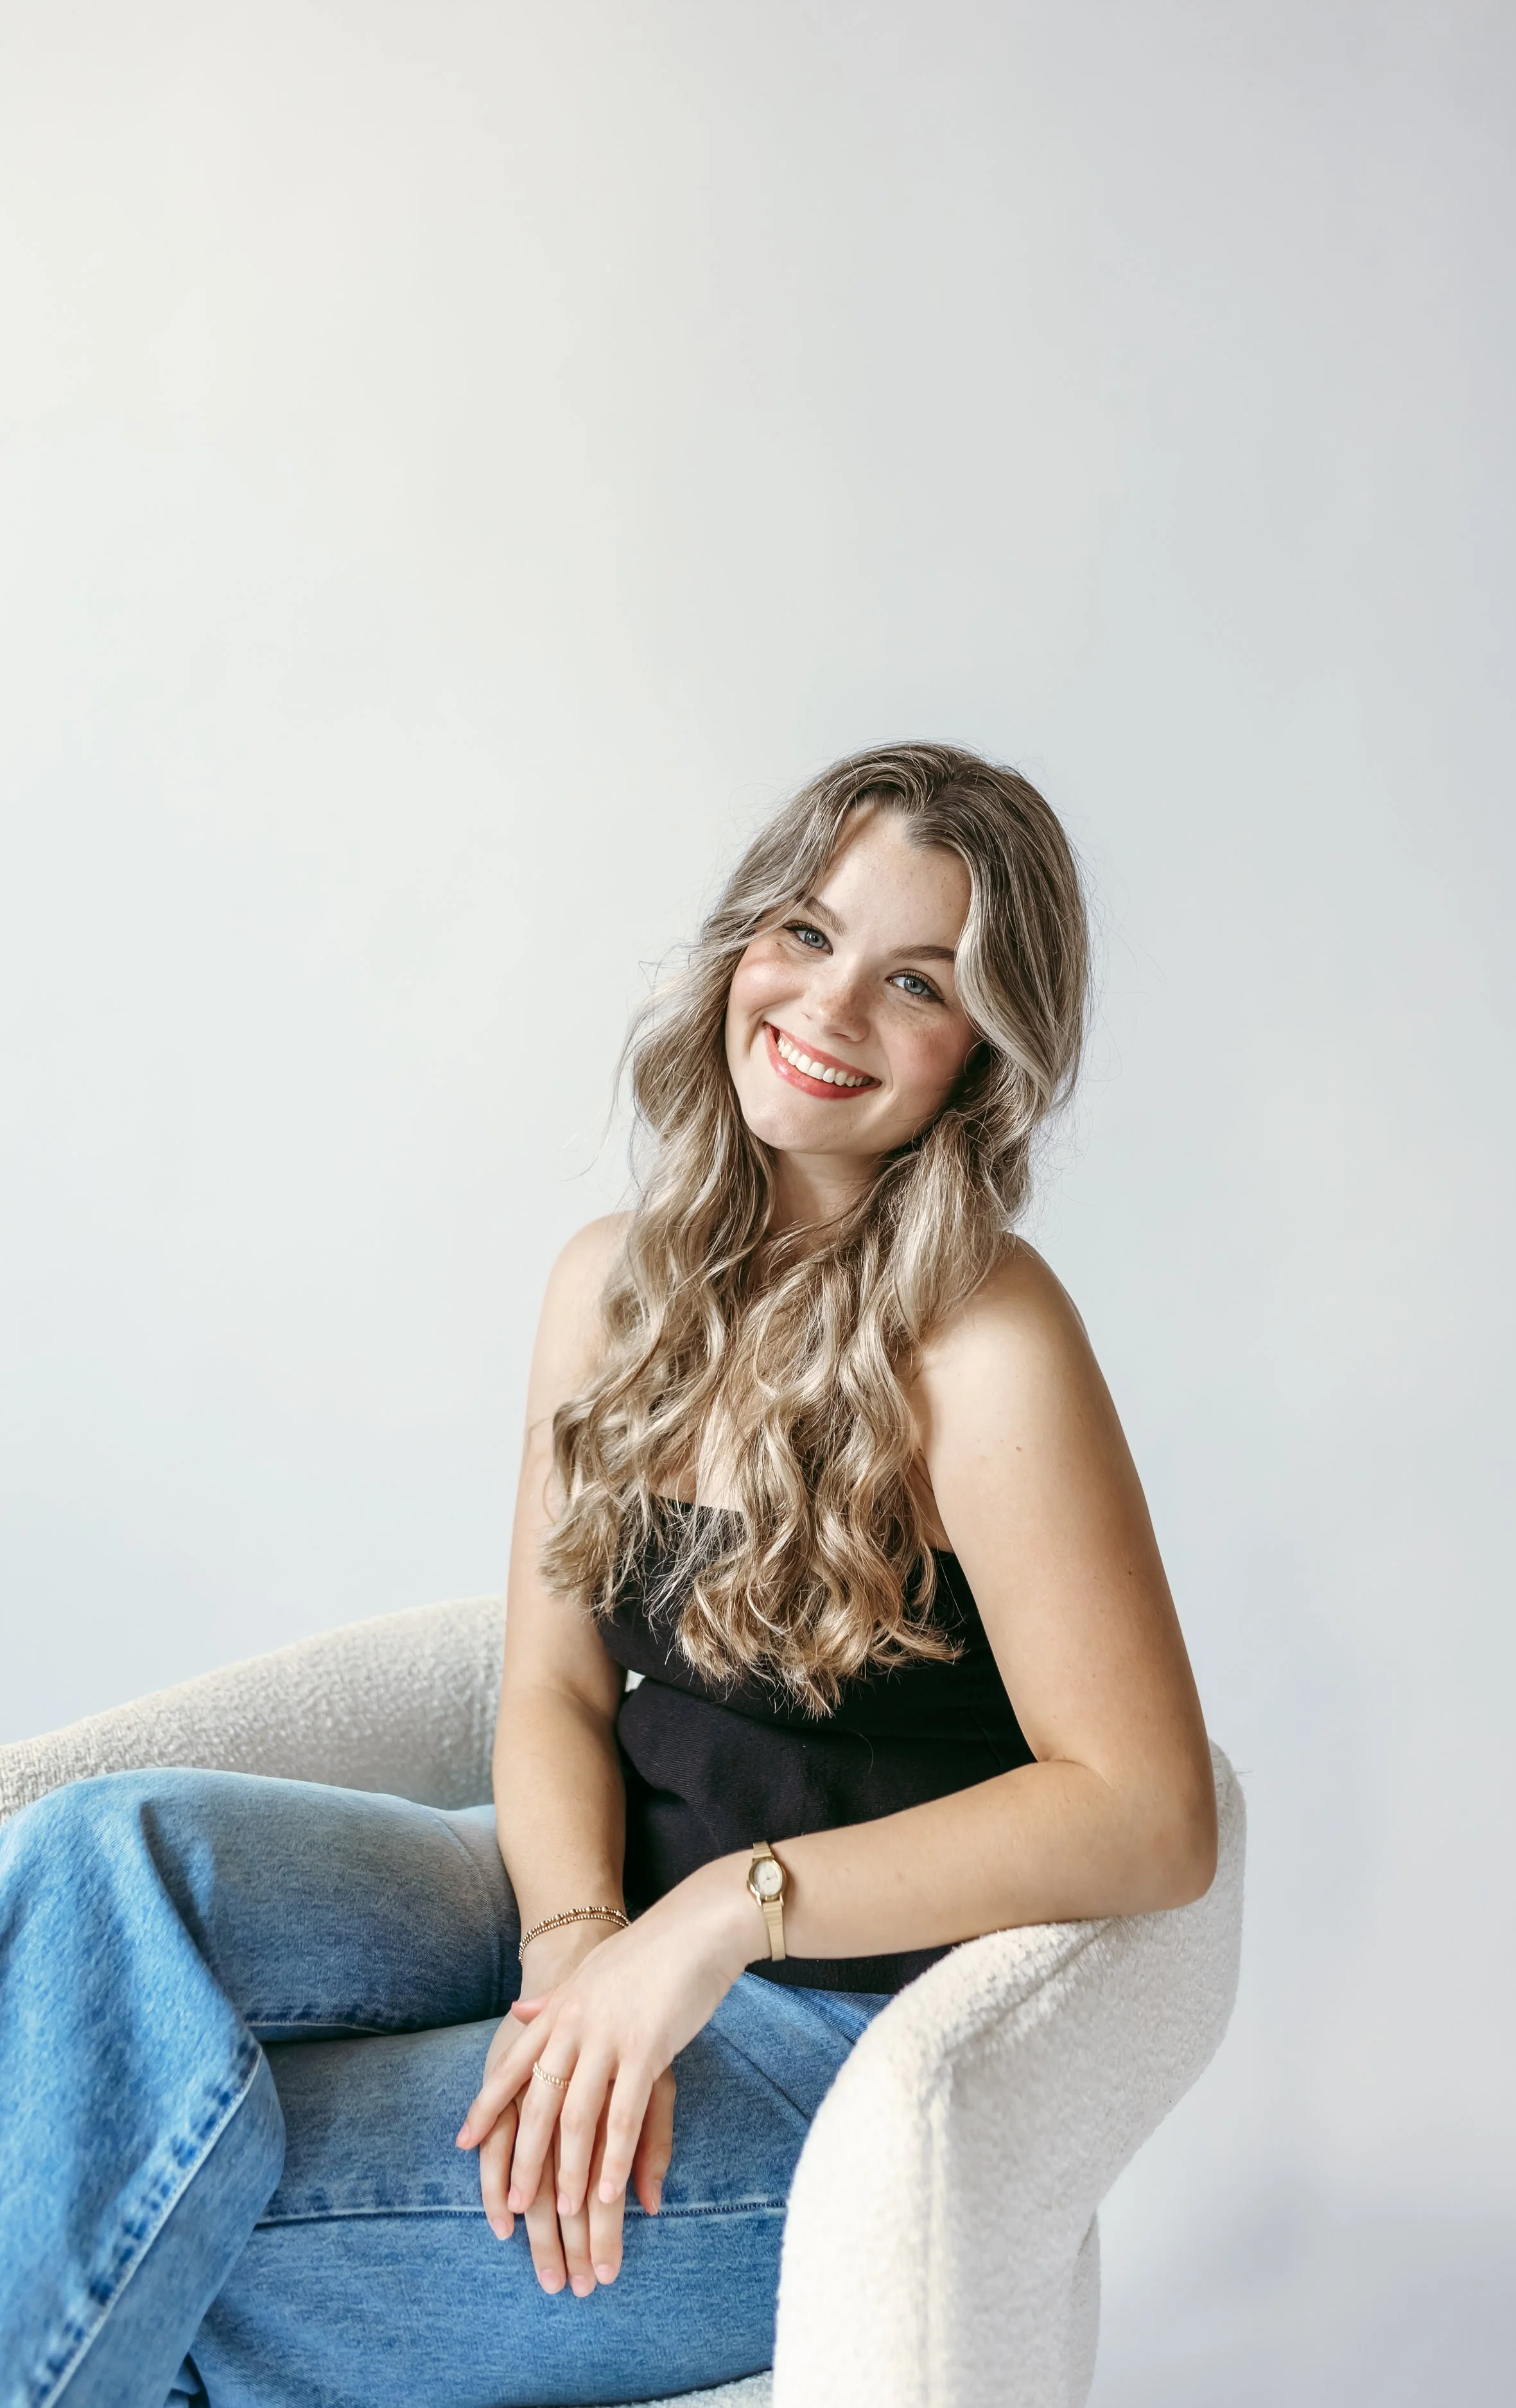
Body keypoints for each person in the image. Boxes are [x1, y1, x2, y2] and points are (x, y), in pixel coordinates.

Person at [0, 744, 1217, 2408]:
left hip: (831, 2044)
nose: (829, 1005)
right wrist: (576, 1941)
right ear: (740, 945)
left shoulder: (987, 1343)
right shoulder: (611, 1286)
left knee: (145, 2202)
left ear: (982, 1058)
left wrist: (721, 1917)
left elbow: (1149, 1811)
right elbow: (557, 1685)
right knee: (96, 1857)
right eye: (806, 931)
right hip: (585, 1892)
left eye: (916, 980)